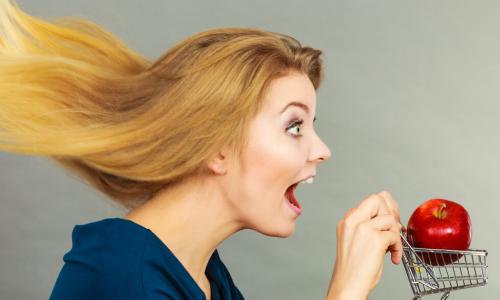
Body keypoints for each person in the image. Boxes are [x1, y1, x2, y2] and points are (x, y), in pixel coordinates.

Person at [0, 0, 403, 299]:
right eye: (294, 126)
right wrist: (346, 290)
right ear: (215, 146)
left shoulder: (204, 277)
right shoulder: (123, 280)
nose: (322, 150)